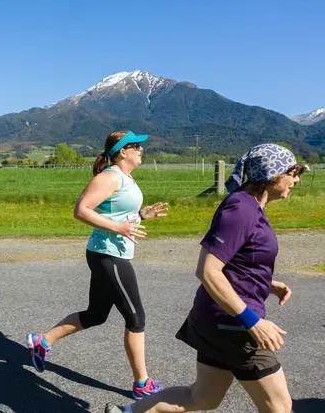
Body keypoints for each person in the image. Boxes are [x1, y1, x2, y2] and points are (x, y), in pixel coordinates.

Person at [105, 143, 304, 413]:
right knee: (279, 407)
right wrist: (253, 322)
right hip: (234, 325)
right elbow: (208, 271)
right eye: (293, 172)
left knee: (203, 398)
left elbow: (234, 262)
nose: (297, 179)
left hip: (217, 320)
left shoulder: (249, 205)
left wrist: (266, 285)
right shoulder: (242, 209)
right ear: (272, 175)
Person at [26, 131, 168, 399]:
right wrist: (118, 227)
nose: (141, 149)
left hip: (112, 253)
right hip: (107, 255)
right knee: (136, 318)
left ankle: (41, 341)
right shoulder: (110, 177)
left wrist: (140, 215)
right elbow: (81, 210)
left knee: (96, 315)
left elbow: (112, 211)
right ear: (122, 151)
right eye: (135, 146)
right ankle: (142, 384)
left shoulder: (124, 177)